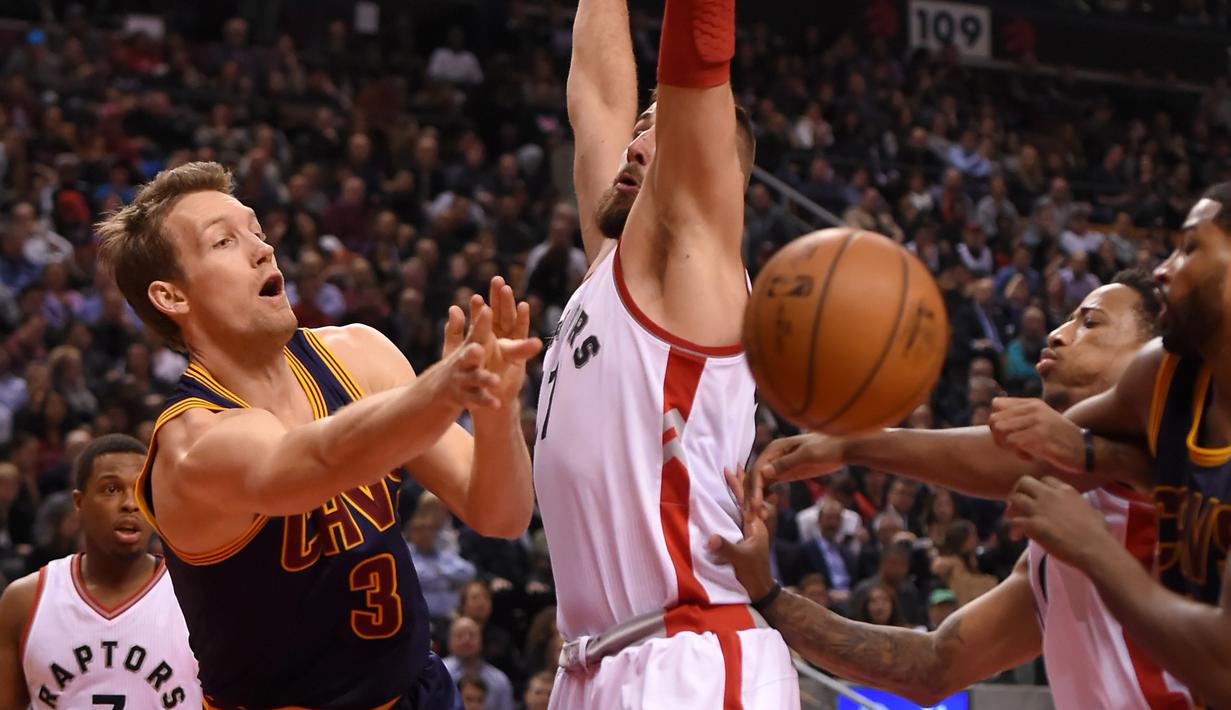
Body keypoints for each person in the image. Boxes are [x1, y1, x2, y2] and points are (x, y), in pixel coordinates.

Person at [95, 162, 541, 709]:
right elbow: (314, 462)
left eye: (258, 231)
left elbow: (502, 514)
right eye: (224, 241)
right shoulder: (192, 443)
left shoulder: (358, 354)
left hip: (418, 689)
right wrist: (445, 388)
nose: (263, 249)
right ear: (172, 297)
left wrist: (495, 407)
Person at [711, 269, 1195, 708]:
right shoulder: (1058, 542)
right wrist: (769, 594)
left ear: (1153, 356)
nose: (1057, 334)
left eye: (1090, 322)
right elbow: (933, 667)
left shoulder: (1184, 455)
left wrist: (851, 444)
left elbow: (1012, 460)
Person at [536, 0, 798, 707]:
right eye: (636, 129)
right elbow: (594, 88)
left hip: (687, 653)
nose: (630, 141)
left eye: (653, 130)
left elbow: (696, 57)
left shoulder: (692, 257)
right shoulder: (613, 269)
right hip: (594, 660)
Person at [996, 185, 1231, 707]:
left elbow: (1224, 668)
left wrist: (1095, 549)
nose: (1165, 268)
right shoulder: (1170, 383)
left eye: (1190, 247)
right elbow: (1019, 452)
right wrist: (855, 444)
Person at [0, 434, 202, 709]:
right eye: (111, 489)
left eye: (142, 490)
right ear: (79, 502)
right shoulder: (23, 601)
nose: (130, 504)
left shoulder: (198, 597)